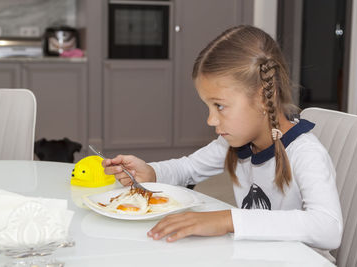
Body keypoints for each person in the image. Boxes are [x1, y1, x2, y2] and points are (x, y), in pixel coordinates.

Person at [102, 25, 343, 252]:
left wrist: (228, 219)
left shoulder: (305, 152)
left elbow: (328, 228)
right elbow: (188, 168)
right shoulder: (234, 142)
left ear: (262, 97)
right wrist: (151, 173)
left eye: (219, 106)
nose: (211, 120)